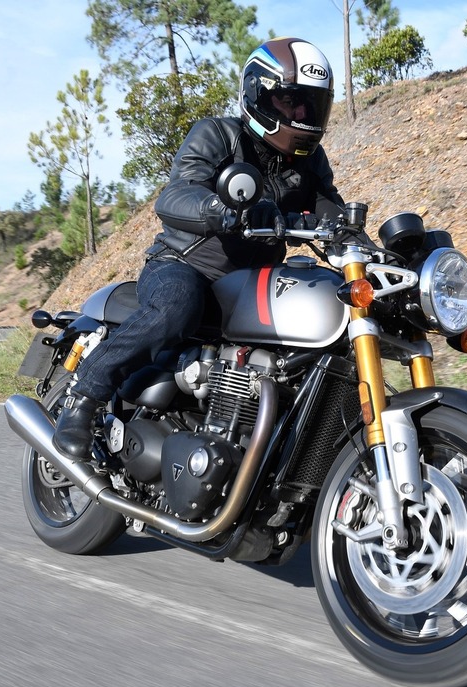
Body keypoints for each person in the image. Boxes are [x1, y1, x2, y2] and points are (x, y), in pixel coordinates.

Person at [52, 37, 346, 460]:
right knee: (177, 303)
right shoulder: (218, 135)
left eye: (311, 105)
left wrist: (365, 245)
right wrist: (223, 210)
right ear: (259, 95)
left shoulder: (310, 163)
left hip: (250, 285)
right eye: (290, 101)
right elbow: (176, 195)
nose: (301, 115)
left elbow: (330, 211)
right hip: (185, 264)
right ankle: (83, 398)